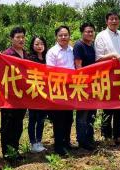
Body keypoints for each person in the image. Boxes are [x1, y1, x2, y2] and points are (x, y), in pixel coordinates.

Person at [94, 11, 120, 146]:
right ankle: (106, 135)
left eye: (116, 19)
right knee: (108, 107)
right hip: (108, 76)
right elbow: (98, 58)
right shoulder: (101, 36)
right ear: (106, 21)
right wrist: (112, 55)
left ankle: (118, 134)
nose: (114, 21)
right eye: (111, 19)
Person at [46, 25, 76, 156]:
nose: (63, 37)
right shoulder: (52, 52)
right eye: (60, 35)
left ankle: (67, 141)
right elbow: (50, 71)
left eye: (66, 35)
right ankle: (58, 146)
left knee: (69, 118)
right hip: (58, 89)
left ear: (69, 36)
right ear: (56, 37)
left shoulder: (72, 50)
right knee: (59, 119)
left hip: (70, 89)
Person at [1, 26, 28, 160]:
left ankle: (15, 151)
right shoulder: (6, 55)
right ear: (11, 39)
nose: (21, 40)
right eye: (18, 37)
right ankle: (7, 153)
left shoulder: (26, 54)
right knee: (7, 125)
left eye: (23, 37)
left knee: (18, 125)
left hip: (22, 96)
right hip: (9, 97)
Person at [73, 22, 97, 150]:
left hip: (93, 84)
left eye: (91, 31)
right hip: (83, 84)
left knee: (92, 113)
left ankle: (90, 137)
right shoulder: (79, 45)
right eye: (87, 31)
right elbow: (78, 66)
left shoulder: (92, 46)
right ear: (82, 32)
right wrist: (84, 83)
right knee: (83, 114)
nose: (89, 33)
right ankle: (82, 140)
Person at [26, 36, 48, 153]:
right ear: (32, 46)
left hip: (44, 94)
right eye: (36, 44)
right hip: (33, 94)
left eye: (41, 43)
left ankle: (39, 141)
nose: (39, 46)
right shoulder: (30, 58)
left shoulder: (47, 57)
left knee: (41, 119)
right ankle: (33, 143)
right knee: (32, 119)